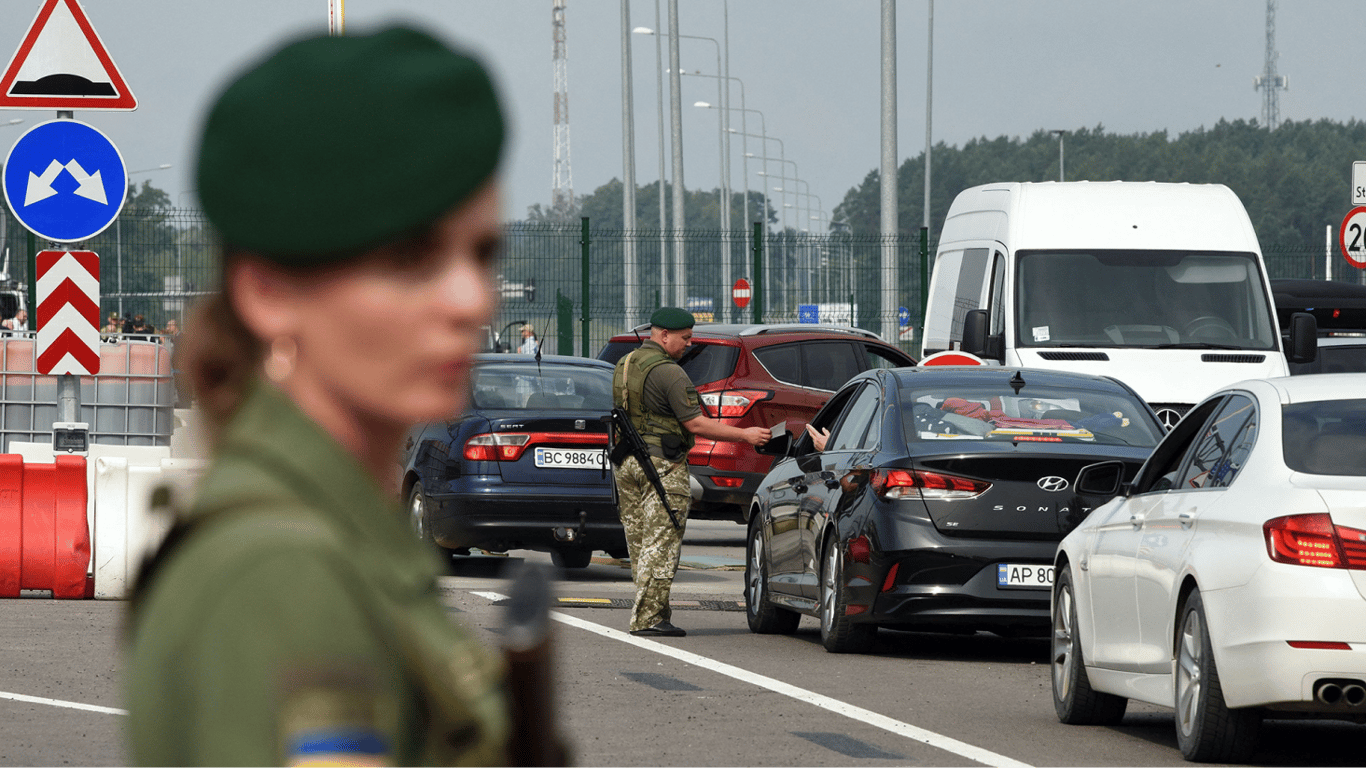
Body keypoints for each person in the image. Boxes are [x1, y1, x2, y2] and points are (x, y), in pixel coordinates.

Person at [125, 26, 510, 768]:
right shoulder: (282, 575)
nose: (471, 298)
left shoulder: (338, 531)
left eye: (481, 253)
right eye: (409, 260)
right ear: (269, 292)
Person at [611, 307, 769, 637]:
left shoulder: (624, 364)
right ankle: (649, 619)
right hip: (660, 466)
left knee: (639, 543)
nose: (688, 344)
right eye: (684, 338)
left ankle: (652, 612)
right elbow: (695, 423)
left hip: (627, 464)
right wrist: (746, 435)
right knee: (662, 539)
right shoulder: (669, 372)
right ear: (663, 336)